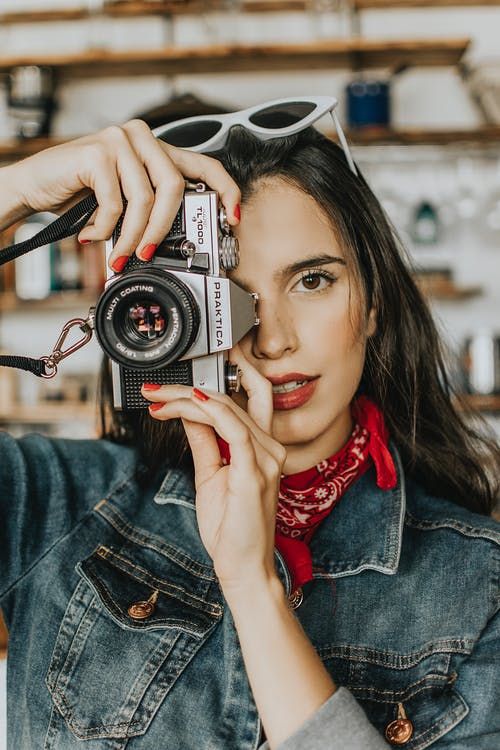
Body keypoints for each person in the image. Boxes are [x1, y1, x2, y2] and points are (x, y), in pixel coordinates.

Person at [0, 108, 499, 750]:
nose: (273, 340)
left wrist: (253, 584)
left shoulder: (479, 584)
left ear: (373, 304)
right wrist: (17, 192)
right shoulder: (59, 507)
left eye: (312, 281)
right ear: (167, 317)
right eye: (228, 296)